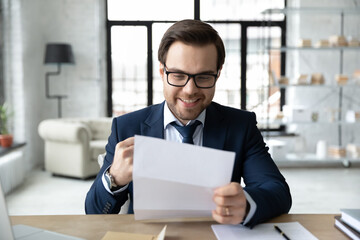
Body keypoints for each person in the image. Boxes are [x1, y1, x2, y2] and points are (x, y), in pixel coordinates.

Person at [85, 19, 291, 227]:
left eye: (203, 77)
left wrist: (246, 203)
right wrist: (114, 179)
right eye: (178, 75)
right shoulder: (127, 127)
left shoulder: (241, 125)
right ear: (162, 73)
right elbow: (93, 212)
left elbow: (277, 191)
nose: (190, 89)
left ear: (217, 74)